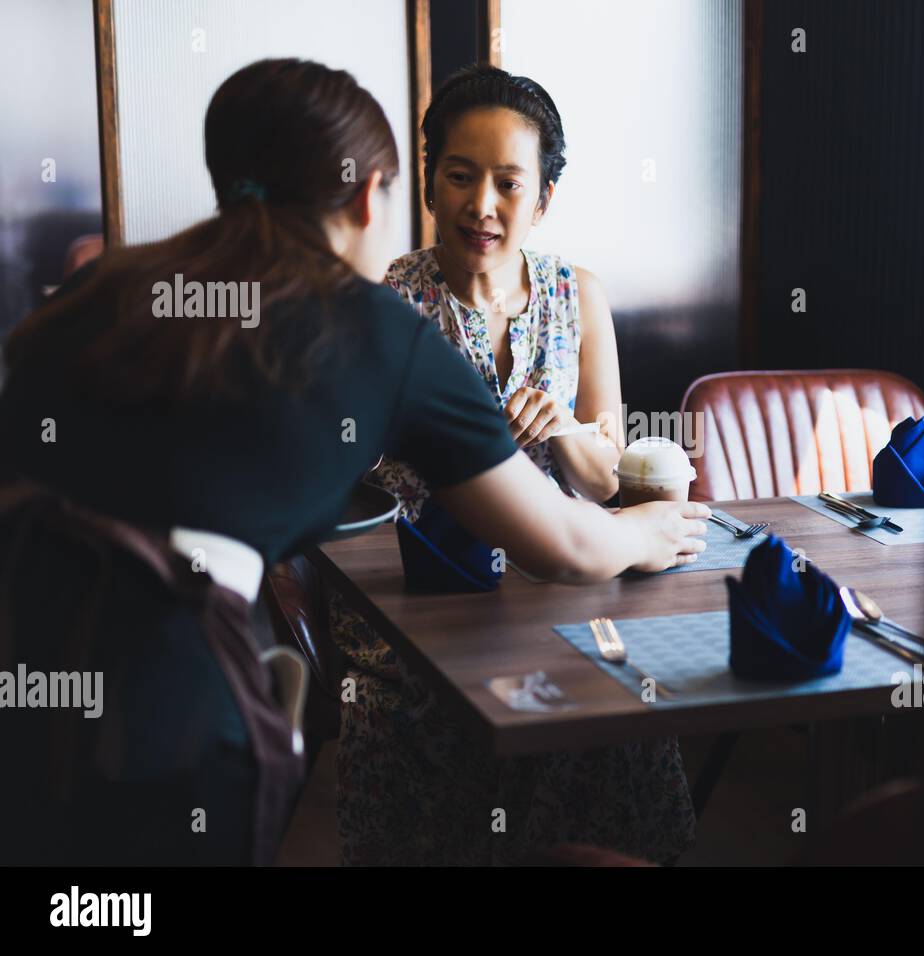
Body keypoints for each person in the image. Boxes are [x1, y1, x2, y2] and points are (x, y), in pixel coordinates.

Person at [0, 57, 708, 865]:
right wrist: (651, 531)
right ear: (375, 195)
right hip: (168, 708)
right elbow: (568, 546)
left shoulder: (109, 286)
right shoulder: (376, 325)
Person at [331, 64, 700, 866]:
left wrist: (565, 427)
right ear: (429, 183)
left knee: (620, 707)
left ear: (543, 198)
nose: (482, 205)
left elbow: (606, 480)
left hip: (562, 581)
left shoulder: (580, 296)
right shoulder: (389, 309)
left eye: (508, 182)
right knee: (436, 718)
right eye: (461, 177)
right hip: (424, 597)